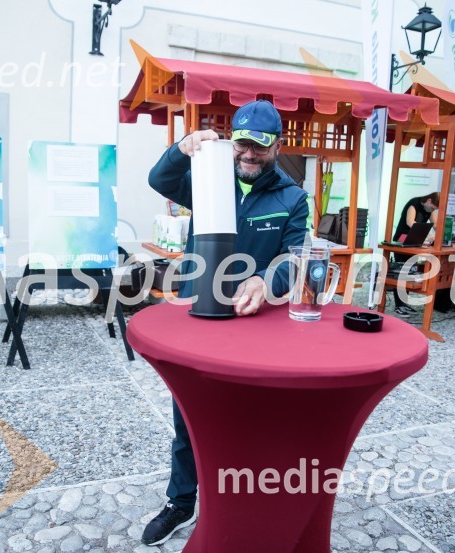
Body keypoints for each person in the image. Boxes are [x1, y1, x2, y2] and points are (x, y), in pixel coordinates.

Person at [141, 99, 310, 546]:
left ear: (276, 146)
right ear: (232, 142)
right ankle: (181, 502)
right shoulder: (207, 179)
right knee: (188, 415)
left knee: (251, 419)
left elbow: (296, 260)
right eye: (243, 144)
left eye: (261, 145)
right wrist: (183, 147)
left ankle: (241, 506)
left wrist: (265, 279)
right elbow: (160, 179)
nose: (249, 154)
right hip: (202, 314)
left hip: (258, 325)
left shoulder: (293, 198)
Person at [390, 192, 439, 317]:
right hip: (401, 241)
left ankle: (404, 302)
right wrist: (428, 235)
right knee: (402, 272)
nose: (433, 210)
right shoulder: (414, 204)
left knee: (410, 272)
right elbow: (410, 222)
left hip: (414, 242)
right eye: (433, 207)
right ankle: (399, 305)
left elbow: (437, 225)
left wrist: (439, 235)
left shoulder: (430, 209)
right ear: (428, 200)